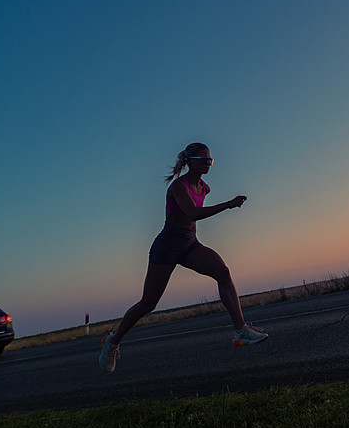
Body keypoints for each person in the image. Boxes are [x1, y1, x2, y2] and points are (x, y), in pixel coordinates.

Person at [99, 143, 267, 373]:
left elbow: (193, 218)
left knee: (222, 272)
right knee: (148, 303)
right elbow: (192, 212)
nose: (208, 164)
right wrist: (228, 205)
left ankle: (241, 331)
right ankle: (113, 341)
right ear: (190, 161)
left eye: (211, 160)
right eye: (204, 160)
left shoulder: (205, 188)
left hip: (190, 244)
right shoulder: (179, 186)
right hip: (166, 246)